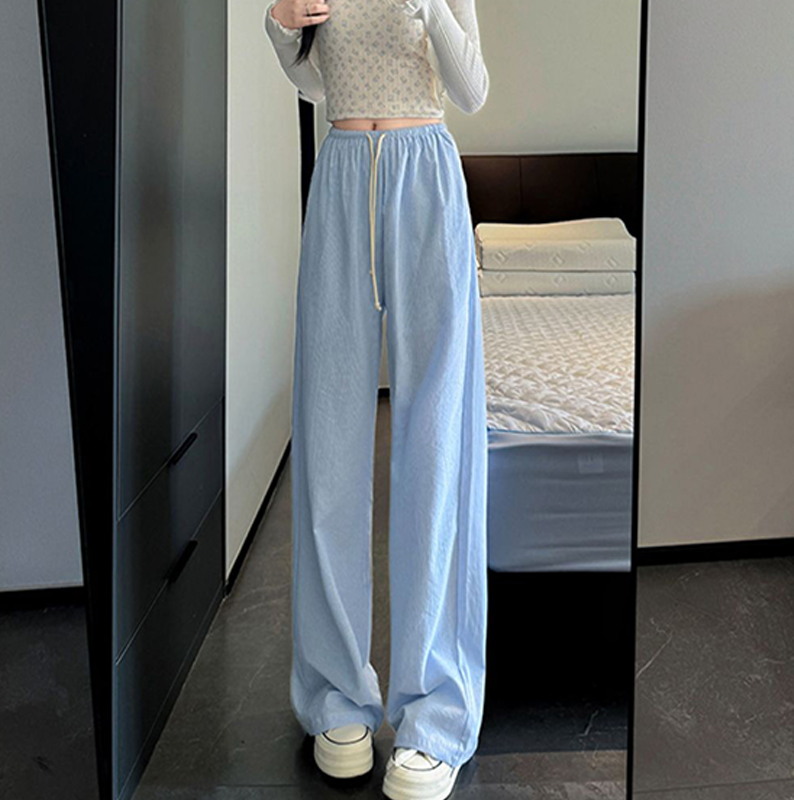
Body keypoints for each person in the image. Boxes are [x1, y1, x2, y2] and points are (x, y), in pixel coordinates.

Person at [264, 1, 489, 797]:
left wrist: (432, 7)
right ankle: (336, 695)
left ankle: (435, 712)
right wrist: (280, 24)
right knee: (327, 436)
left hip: (427, 177)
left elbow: (472, 90)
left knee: (434, 440)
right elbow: (308, 82)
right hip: (340, 177)